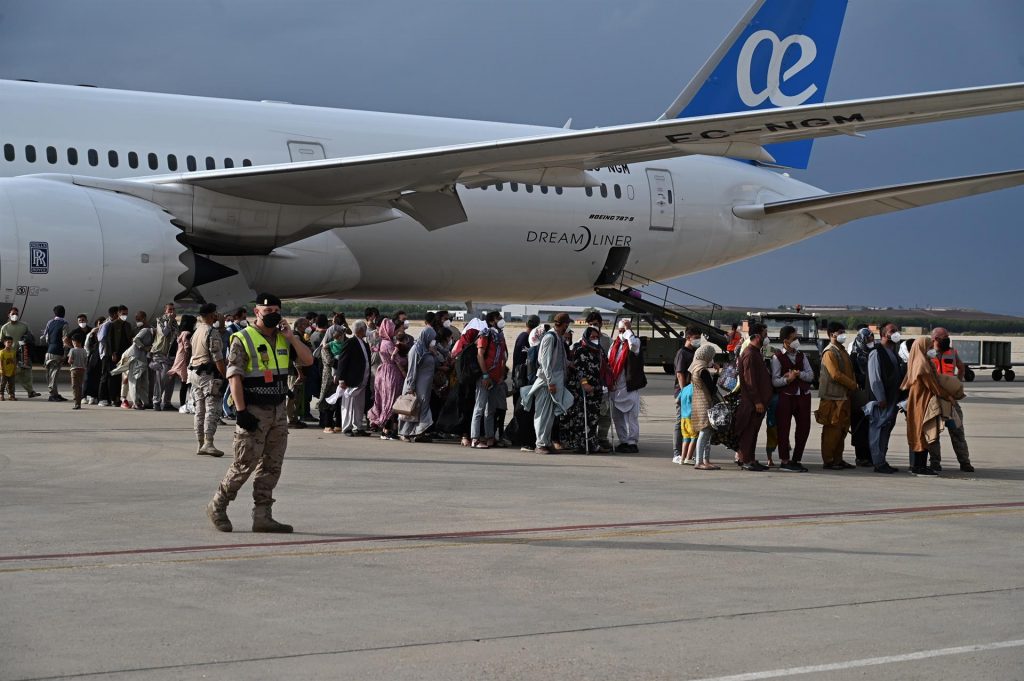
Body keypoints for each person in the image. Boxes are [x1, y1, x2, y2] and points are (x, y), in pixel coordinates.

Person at [206, 293, 313, 533]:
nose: (273, 315)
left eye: (277, 310)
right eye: (268, 311)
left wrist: (292, 338)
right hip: (253, 410)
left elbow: (307, 361)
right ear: (257, 312)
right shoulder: (243, 338)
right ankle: (218, 505)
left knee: (272, 466)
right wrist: (241, 411)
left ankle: (263, 515)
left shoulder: (284, 338)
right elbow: (233, 376)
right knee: (244, 464)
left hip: (277, 410)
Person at [902, 336, 960, 476]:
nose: (932, 349)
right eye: (929, 347)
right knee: (922, 432)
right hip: (922, 402)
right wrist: (948, 396)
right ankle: (919, 467)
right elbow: (933, 387)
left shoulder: (917, 362)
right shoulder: (923, 366)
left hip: (919, 402)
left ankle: (918, 465)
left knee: (920, 432)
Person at [524, 312, 573, 454]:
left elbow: (559, 359)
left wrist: (570, 364)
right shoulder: (550, 338)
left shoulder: (558, 337)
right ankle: (540, 444)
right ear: (562, 324)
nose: (567, 327)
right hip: (546, 383)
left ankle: (546, 441)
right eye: (566, 324)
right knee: (542, 413)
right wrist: (550, 382)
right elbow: (544, 362)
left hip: (555, 382)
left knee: (550, 415)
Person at [926, 328, 974, 472]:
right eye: (944, 337)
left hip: (951, 400)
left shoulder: (952, 352)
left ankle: (964, 462)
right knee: (933, 432)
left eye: (948, 336)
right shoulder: (927, 353)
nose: (947, 339)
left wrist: (957, 384)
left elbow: (961, 368)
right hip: (935, 398)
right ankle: (935, 462)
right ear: (935, 339)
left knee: (957, 431)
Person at [559, 326, 609, 453]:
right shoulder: (580, 350)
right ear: (586, 337)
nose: (595, 339)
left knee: (594, 417)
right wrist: (585, 384)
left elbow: (605, 367)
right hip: (582, 390)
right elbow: (579, 369)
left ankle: (592, 443)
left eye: (597, 337)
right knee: (582, 418)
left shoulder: (599, 350)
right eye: (592, 337)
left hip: (596, 388)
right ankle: (581, 444)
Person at [770, 325, 814, 473]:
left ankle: (796, 459)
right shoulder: (777, 357)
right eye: (794, 338)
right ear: (786, 341)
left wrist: (799, 374)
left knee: (804, 428)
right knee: (784, 429)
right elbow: (775, 381)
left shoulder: (802, 356)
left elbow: (810, 375)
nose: (797, 341)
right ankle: (785, 460)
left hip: (803, 395)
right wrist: (787, 381)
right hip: (786, 396)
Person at [817, 322, 857, 470]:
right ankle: (829, 460)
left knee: (842, 430)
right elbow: (835, 374)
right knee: (831, 431)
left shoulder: (842, 351)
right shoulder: (829, 352)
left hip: (843, 397)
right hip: (832, 397)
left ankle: (838, 459)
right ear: (831, 334)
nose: (843, 334)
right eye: (840, 332)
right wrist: (852, 385)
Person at [190, 304, 227, 457]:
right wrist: (225, 375)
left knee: (200, 410)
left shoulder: (197, 330)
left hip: (195, 373)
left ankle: (200, 443)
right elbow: (217, 358)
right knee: (212, 408)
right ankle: (208, 442)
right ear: (213, 315)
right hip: (207, 374)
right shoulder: (212, 332)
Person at [865, 323, 904, 474]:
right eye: (892, 331)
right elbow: (875, 379)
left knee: (886, 431)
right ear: (883, 334)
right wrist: (881, 398)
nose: (896, 333)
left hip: (892, 399)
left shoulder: (893, 352)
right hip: (881, 401)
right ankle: (878, 462)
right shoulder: (876, 352)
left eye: (897, 330)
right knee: (877, 432)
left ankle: (882, 459)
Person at [735, 323, 771, 471]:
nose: (766, 337)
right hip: (752, 403)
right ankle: (745, 460)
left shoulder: (756, 352)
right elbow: (750, 381)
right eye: (764, 334)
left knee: (753, 432)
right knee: (748, 432)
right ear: (756, 336)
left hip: (759, 402)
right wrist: (757, 401)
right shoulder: (750, 354)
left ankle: (751, 458)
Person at [470, 311, 508, 448]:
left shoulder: (500, 336)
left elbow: (502, 357)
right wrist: (485, 375)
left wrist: (501, 375)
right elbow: (480, 355)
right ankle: (475, 438)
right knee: (479, 407)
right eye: (499, 318)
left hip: (496, 378)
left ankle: (489, 436)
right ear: (492, 320)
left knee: (490, 409)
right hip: (485, 377)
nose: (502, 320)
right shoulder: (485, 333)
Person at [608, 318, 645, 453]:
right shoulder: (614, 345)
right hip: (615, 386)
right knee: (617, 417)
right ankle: (623, 440)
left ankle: (632, 442)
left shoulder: (634, 342)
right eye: (621, 330)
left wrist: (629, 331)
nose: (622, 333)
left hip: (630, 386)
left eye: (624, 330)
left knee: (632, 417)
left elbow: (634, 346)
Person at [399, 326, 439, 443]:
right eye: (432, 338)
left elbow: (437, 363)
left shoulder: (428, 349)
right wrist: (411, 386)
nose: (433, 340)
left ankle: (418, 433)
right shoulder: (416, 350)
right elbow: (412, 369)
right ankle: (404, 433)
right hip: (416, 385)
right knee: (410, 409)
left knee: (422, 409)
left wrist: (434, 353)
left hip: (425, 387)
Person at [367, 317, 404, 439]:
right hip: (391, 373)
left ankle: (386, 429)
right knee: (391, 401)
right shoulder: (389, 344)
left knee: (384, 400)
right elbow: (398, 360)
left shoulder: (383, 342)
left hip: (383, 372)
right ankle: (387, 430)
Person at [688, 343, 722, 470]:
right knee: (705, 432)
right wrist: (717, 373)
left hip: (697, 402)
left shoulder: (694, 367)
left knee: (707, 433)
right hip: (705, 403)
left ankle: (705, 460)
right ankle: (699, 461)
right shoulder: (703, 371)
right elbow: (712, 389)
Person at [335, 319, 372, 436]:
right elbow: (342, 361)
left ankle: (358, 426)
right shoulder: (350, 342)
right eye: (365, 328)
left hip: (362, 381)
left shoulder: (364, 343)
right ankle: (347, 428)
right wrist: (341, 379)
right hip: (351, 381)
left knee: (359, 406)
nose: (366, 331)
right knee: (348, 405)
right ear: (360, 330)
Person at [585, 311, 615, 450]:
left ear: (601, 324)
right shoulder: (584, 339)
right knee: (591, 413)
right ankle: (590, 438)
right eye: (590, 324)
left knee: (606, 413)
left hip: (603, 383)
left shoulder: (607, 340)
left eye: (595, 324)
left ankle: (602, 437)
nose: (593, 326)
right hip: (589, 383)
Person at [672, 326, 701, 461]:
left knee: (690, 422)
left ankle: (687, 453)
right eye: (696, 338)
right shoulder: (682, 353)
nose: (698, 340)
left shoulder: (693, 351)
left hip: (692, 392)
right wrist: (684, 392)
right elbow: (680, 374)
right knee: (681, 421)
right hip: (684, 392)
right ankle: (677, 453)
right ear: (688, 338)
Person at [849, 327, 875, 466]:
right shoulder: (854, 356)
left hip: (872, 396)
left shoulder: (875, 353)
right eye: (868, 339)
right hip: (859, 396)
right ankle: (861, 456)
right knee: (859, 427)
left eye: (872, 338)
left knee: (872, 427)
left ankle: (872, 456)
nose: (871, 341)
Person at [0, 308, 40, 398]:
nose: (15, 315)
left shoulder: (24, 326)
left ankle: (30, 391)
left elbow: (31, 337)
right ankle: (10, 391)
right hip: (10, 354)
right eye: (13, 313)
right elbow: (2, 340)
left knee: (27, 372)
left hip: (22, 353)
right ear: (9, 315)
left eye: (16, 314)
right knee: (11, 372)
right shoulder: (5, 327)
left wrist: (27, 339)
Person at [99, 305, 131, 407]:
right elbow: (109, 340)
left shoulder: (127, 325)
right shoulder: (111, 325)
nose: (125, 316)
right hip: (112, 354)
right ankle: (105, 398)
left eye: (126, 313)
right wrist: (112, 353)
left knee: (118, 377)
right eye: (123, 314)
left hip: (123, 355)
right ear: (118, 313)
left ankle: (116, 398)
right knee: (109, 376)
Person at [150, 303, 178, 411]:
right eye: (169, 309)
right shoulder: (160, 320)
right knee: (161, 378)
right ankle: (156, 401)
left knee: (171, 379)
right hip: (160, 353)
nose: (172, 311)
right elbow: (165, 333)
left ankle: (167, 402)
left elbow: (176, 335)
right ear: (165, 311)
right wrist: (170, 321)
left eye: (173, 309)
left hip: (171, 354)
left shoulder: (175, 322)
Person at [125, 310, 154, 409]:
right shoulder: (144, 330)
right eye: (136, 319)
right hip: (136, 358)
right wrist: (144, 347)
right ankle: (136, 402)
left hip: (143, 359)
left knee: (143, 381)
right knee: (135, 381)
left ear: (144, 318)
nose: (137, 321)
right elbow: (135, 340)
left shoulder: (149, 329)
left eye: (139, 319)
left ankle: (145, 401)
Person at [286, 317, 311, 429]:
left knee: (297, 397)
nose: (308, 326)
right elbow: (296, 356)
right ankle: (290, 419)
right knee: (292, 396)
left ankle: (294, 418)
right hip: (294, 372)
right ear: (300, 325)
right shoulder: (296, 337)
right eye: (306, 324)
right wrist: (299, 372)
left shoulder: (299, 336)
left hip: (297, 371)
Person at [41, 305, 70, 402]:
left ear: (54, 313)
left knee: (49, 373)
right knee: (54, 374)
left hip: (49, 350)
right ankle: (53, 395)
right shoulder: (65, 324)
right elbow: (65, 339)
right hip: (58, 351)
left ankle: (55, 393)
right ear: (64, 313)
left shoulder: (50, 322)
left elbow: (46, 337)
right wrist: (66, 353)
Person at [168, 314, 196, 411]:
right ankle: (183, 405)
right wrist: (189, 363)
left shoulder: (181, 332)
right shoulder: (187, 333)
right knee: (186, 384)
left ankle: (183, 405)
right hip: (185, 360)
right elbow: (187, 349)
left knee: (184, 384)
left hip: (180, 358)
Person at [512, 314, 540, 393]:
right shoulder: (526, 337)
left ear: (526, 323)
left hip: (520, 375)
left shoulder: (523, 336)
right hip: (522, 376)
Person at [67, 335, 88, 409]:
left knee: (74, 386)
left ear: (74, 342)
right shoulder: (84, 350)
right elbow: (86, 361)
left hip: (74, 370)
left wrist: (72, 361)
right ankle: (79, 401)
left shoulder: (72, 350)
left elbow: (69, 361)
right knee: (80, 386)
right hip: (82, 370)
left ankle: (76, 401)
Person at [0, 336, 16, 400]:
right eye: (8, 342)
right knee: (2, 384)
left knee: (11, 384)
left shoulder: (13, 352)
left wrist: (14, 369)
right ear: (4, 343)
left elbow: (14, 361)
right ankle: (1, 394)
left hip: (11, 371)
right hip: (4, 371)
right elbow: (0, 361)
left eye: (11, 342)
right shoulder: (2, 352)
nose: (9, 344)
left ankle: (11, 395)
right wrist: (2, 369)